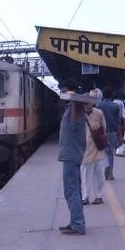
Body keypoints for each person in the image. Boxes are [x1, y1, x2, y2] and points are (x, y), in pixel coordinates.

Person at [57, 79, 87, 235]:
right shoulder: (71, 107)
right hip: (70, 154)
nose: (61, 93)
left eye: (64, 90)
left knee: (71, 190)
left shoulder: (76, 107)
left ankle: (77, 224)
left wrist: (75, 100)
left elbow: (75, 125)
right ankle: (75, 221)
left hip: (71, 154)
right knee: (74, 190)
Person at [81, 101, 108, 205]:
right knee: (85, 174)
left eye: (89, 103)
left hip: (97, 148)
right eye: (85, 103)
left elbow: (104, 127)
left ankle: (99, 196)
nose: (87, 105)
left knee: (99, 173)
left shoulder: (99, 113)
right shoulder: (80, 114)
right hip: (85, 149)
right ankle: (85, 197)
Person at [97, 88, 123, 180]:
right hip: (113, 132)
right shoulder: (116, 106)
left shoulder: (98, 105)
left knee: (103, 152)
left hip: (101, 132)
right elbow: (118, 123)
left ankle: (104, 172)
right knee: (110, 153)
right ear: (112, 96)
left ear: (103, 95)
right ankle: (110, 174)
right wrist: (120, 137)